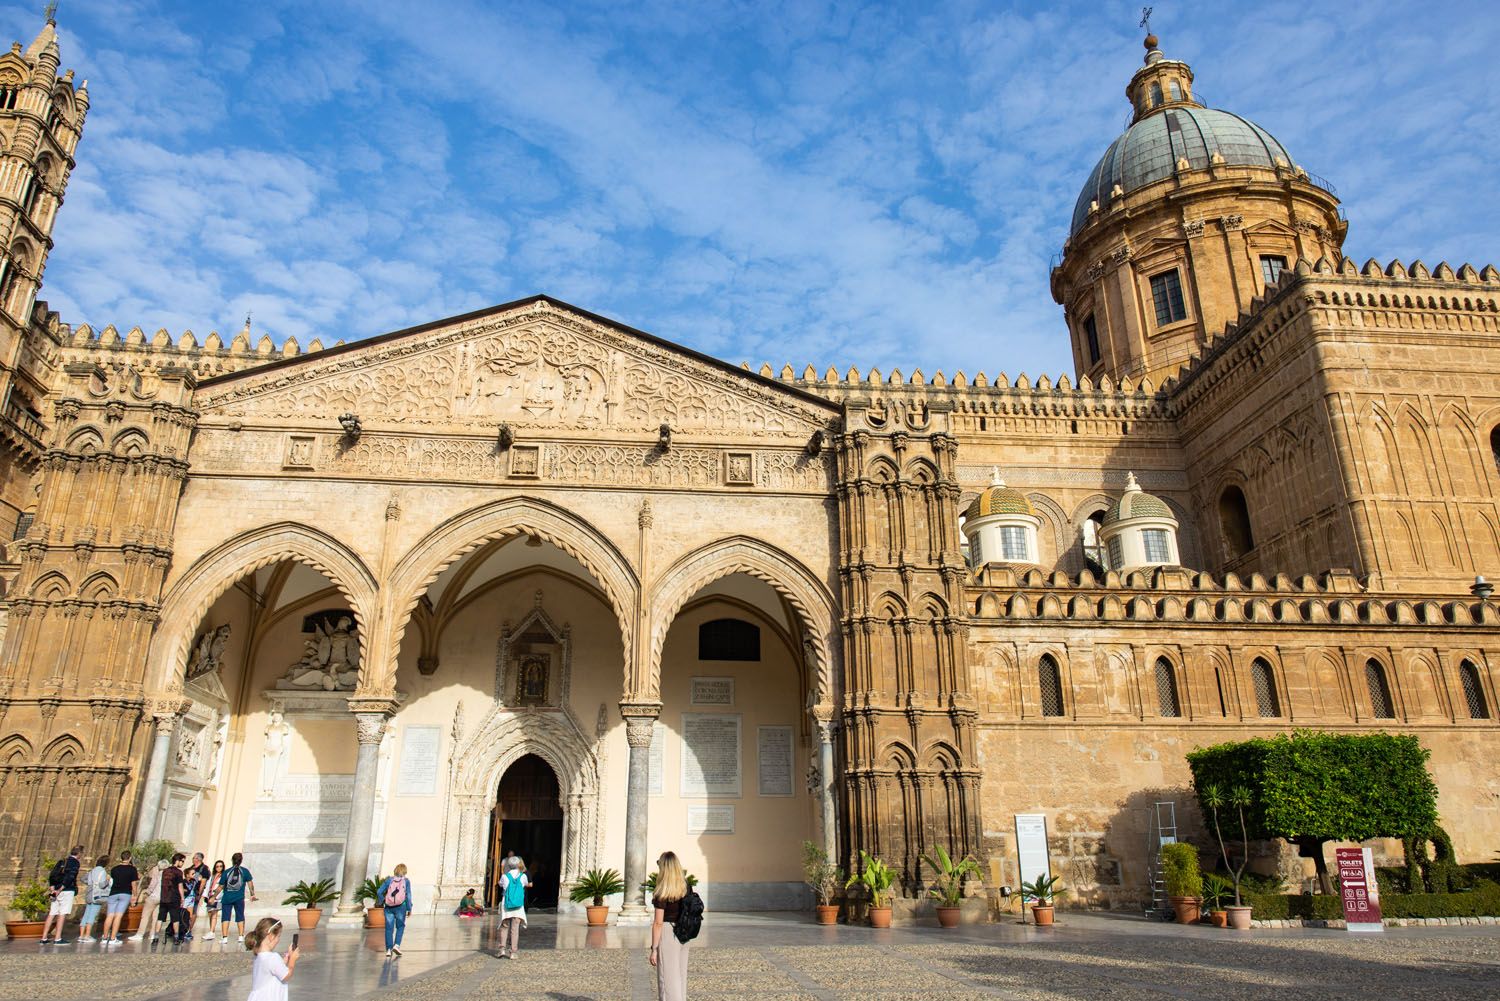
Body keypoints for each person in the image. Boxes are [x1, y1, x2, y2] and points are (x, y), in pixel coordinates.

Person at [650, 852, 691, 1001]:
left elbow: (658, 923)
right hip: (684, 933)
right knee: (680, 976)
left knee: (667, 979)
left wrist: (654, 949)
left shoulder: (662, 892)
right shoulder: (685, 887)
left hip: (668, 933)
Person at [244, 916, 299, 1001]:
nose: (278, 940)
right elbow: (286, 976)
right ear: (271, 936)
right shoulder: (273, 957)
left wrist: (284, 961)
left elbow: (271, 971)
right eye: (278, 936)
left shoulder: (259, 956)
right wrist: (292, 960)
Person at [41, 844, 83, 944]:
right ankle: (58, 938)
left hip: (54, 890)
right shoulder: (75, 862)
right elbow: (70, 876)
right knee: (62, 913)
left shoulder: (62, 860)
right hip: (66, 890)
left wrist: (53, 889)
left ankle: (44, 938)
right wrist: (61, 889)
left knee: (52, 913)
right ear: (79, 853)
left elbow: (52, 875)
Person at [101, 850, 139, 947]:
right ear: (129, 858)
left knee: (110, 915)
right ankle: (113, 938)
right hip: (125, 893)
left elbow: (112, 880)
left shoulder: (114, 869)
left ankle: (105, 938)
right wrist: (135, 895)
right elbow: (133, 884)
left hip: (113, 893)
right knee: (118, 916)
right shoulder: (132, 869)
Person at [218, 851, 257, 943]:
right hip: (239, 898)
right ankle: (240, 936)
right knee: (240, 916)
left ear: (232, 860)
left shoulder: (227, 872)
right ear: (241, 861)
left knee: (225, 917)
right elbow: (250, 884)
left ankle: (224, 937)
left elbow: (221, 886)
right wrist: (252, 894)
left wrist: (213, 896)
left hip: (227, 897)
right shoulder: (245, 871)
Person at [377, 864, 412, 958]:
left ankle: (388, 949)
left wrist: (382, 901)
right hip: (401, 907)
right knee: (400, 926)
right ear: (405, 871)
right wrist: (409, 908)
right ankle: (396, 945)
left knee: (389, 928)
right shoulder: (406, 881)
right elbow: (408, 895)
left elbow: (379, 892)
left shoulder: (389, 880)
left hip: (389, 907)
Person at [498, 856, 527, 960]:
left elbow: (500, 884)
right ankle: (513, 952)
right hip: (518, 906)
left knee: (504, 927)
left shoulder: (505, 876)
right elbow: (525, 884)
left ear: (508, 865)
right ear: (518, 864)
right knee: (515, 929)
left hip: (507, 905)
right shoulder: (523, 876)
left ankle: (502, 949)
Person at [131, 859, 166, 943]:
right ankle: (153, 934)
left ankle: (140, 934)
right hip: (161, 897)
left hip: (153, 896)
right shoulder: (166, 875)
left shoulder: (157, 872)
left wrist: (147, 892)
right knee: (155, 917)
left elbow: (153, 883)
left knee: (145, 916)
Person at [78, 854, 111, 943]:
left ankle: (81, 935)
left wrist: (90, 884)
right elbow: (102, 885)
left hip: (89, 893)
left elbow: (82, 879)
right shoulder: (102, 872)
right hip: (97, 895)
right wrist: (108, 880)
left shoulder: (92, 871)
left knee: (86, 914)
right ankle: (87, 935)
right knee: (92, 915)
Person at [158, 853, 187, 944]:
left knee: (160, 918)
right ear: (177, 861)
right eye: (182, 861)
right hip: (174, 898)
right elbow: (180, 886)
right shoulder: (178, 872)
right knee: (175, 918)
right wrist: (182, 898)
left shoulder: (165, 871)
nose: (182, 863)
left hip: (164, 897)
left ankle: (155, 937)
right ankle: (176, 937)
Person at [186, 852, 211, 939]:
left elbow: (203, 883)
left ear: (198, 859)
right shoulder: (191, 868)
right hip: (187, 893)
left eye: (194, 858)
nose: (193, 859)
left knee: (193, 912)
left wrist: (199, 894)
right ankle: (184, 928)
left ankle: (189, 930)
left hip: (195, 893)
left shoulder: (204, 869)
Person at [202, 860, 225, 941]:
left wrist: (216, 897)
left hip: (217, 898)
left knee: (214, 913)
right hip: (209, 896)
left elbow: (222, 888)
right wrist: (205, 895)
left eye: (220, 866)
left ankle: (211, 932)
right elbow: (208, 885)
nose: (219, 868)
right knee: (210, 914)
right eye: (217, 866)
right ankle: (212, 931)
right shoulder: (213, 875)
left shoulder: (223, 876)